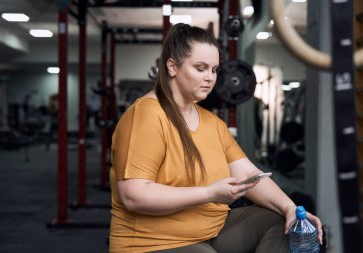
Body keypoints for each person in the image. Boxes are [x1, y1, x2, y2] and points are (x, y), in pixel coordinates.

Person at [109, 23, 323, 253]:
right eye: (200, 68)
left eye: (214, 70)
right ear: (172, 66)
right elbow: (134, 196)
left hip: (212, 230)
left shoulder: (212, 123)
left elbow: (249, 175)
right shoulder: (148, 115)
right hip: (152, 243)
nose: (210, 78)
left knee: (285, 223)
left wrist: (289, 207)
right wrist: (209, 193)